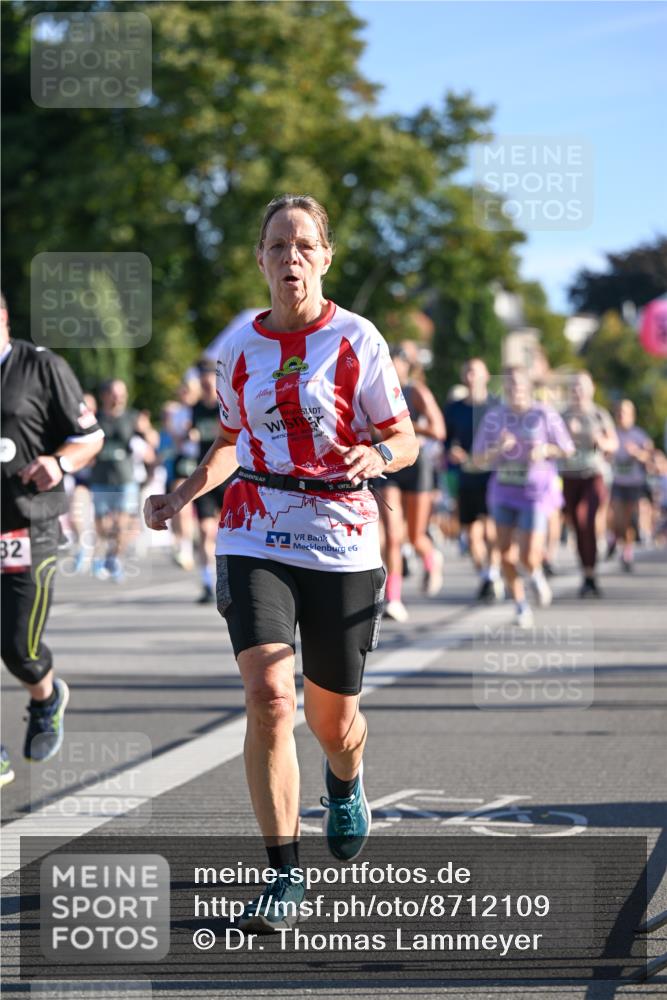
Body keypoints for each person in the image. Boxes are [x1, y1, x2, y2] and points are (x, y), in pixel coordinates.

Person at [144, 194, 418, 930]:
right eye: (277, 246)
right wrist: (182, 494)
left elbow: (405, 437)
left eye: (303, 246)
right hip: (254, 528)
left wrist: (378, 454)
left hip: (341, 539)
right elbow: (230, 440)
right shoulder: (240, 348)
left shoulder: (357, 339)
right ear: (260, 259)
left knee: (334, 723)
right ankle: (283, 872)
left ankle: (345, 779)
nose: (290, 258)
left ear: (324, 257)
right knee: (269, 696)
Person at [0, 292, 104, 783]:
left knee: (17, 647)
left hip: (28, 525)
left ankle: (46, 696)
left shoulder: (41, 366)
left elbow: (90, 437)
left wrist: (58, 463)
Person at [472, 366, 574, 629]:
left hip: (535, 493)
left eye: (519, 384)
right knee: (505, 553)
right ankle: (520, 604)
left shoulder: (544, 414)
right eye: (510, 384)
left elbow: (567, 449)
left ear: (528, 387)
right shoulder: (495, 417)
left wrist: (545, 450)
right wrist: (498, 448)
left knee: (528, 555)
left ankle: (535, 573)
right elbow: (477, 459)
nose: (514, 389)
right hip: (503, 491)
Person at [376, 346, 445, 623]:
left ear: (406, 365)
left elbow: (439, 430)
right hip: (388, 465)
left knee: (415, 537)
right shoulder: (373, 390)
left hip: (416, 465)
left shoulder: (415, 391)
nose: (392, 366)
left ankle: (430, 557)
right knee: (393, 535)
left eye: (396, 361)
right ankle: (393, 599)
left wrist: (405, 426)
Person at [444, 358, 503, 601]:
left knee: (491, 529)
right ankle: (486, 576)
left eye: (476, 372)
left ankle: (493, 572)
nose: (472, 376)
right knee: (472, 534)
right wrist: (452, 452)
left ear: (486, 376)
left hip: (492, 475)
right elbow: (446, 440)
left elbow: (507, 439)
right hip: (467, 475)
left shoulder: (497, 406)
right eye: (468, 372)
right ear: (463, 377)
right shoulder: (454, 408)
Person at [88, 379, 157, 582]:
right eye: (114, 394)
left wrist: (146, 429)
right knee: (103, 526)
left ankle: (114, 558)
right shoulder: (96, 419)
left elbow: (153, 441)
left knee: (122, 524)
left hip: (125, 479)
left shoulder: (132, 417)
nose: (119, 398)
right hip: (100, 478)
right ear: (105, 396)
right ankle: (108, 550)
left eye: (122, 394)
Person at [560, 372, 618, 596]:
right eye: (574, 387)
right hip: (569, 476)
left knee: (586, 519)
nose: (577, 391)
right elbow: (550, 442)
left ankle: (591, 570)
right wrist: (566, 438)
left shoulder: (599, 414)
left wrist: (600, 441)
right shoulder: (562, 416)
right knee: (577, 525)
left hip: (593, 475)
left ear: (591, 389)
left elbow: (613, 443)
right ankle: (587, 574)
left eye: (582, 386)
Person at [189, 358, 235, 603]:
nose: (206, 381)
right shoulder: (193, 409)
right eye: (202, 377)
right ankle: (207, 582)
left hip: (228, 475)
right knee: (205, 530)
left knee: (229, 532)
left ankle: (231, 580)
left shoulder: (225, 405)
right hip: (204, 475)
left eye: (209, 376)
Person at [610, 399, 653, 572]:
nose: (621, 416)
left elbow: (650, 456)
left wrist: (637, 453)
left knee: (629, 520)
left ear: (632, 415)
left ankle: (627, 551)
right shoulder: (611, 433)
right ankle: (614, 538)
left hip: (635, 484)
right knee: (617, 519)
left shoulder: (639, 434)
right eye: (619, 412)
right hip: (616, 482)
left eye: (625, 413)